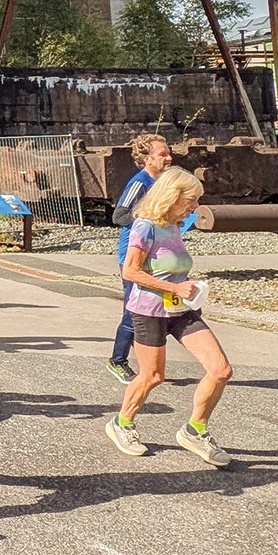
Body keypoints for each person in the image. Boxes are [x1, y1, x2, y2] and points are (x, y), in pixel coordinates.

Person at [105, 167, 235, 467]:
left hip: (180, 310)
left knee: (221, 370)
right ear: (172, 196)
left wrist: (189, 286)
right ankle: (122, 423)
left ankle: (195, 431)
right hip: (148, 311)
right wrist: (173, 286)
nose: (194, 206)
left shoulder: (175, 225)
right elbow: (130, 271)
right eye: (191, 199)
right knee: (152, 376)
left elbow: (172, 266)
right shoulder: (145, 226)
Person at [107, 134, 173, 385]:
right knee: (134, 311)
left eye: (169, 153)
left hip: (157, 255)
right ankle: (118, 360)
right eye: (163, 154)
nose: (169, 158)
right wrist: (150, 219)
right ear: (147, 159)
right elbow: (119, 216)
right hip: (133, 256)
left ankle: (148, 362)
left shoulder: (166, 181)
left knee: (156, 309)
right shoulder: (140, 183)